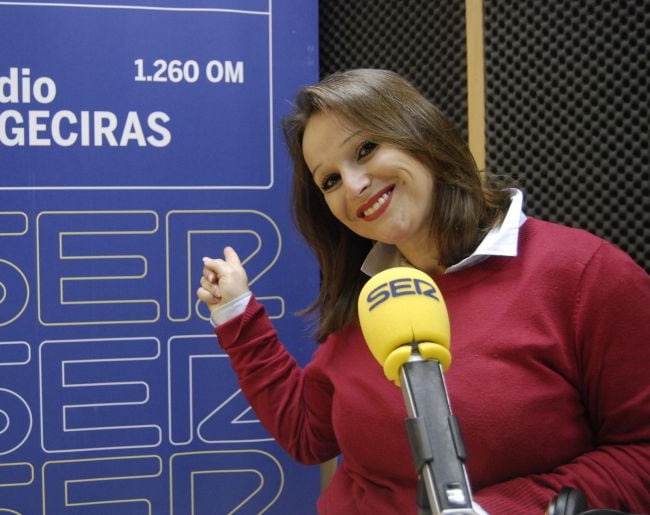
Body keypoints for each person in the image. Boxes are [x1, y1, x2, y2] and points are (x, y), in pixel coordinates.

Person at [196, 68, 650, 514]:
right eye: (329, 180)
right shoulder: (376, 292)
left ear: (419, 133)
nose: (353, 186)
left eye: (366, 149)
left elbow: (640, 452)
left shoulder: (584, 273)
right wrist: (237, 313)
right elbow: (307, 433)